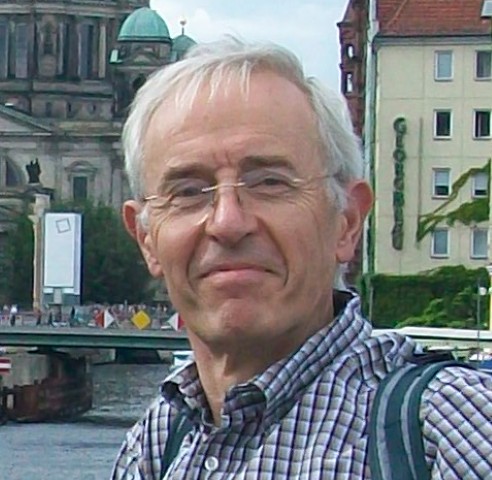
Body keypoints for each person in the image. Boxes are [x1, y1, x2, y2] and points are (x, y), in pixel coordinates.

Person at [111, 38, 492, 479]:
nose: (227, 223)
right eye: (188, 192)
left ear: (346, 222)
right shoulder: (157, 441)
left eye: (269, 182)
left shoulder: (448, 430)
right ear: (146, 238)